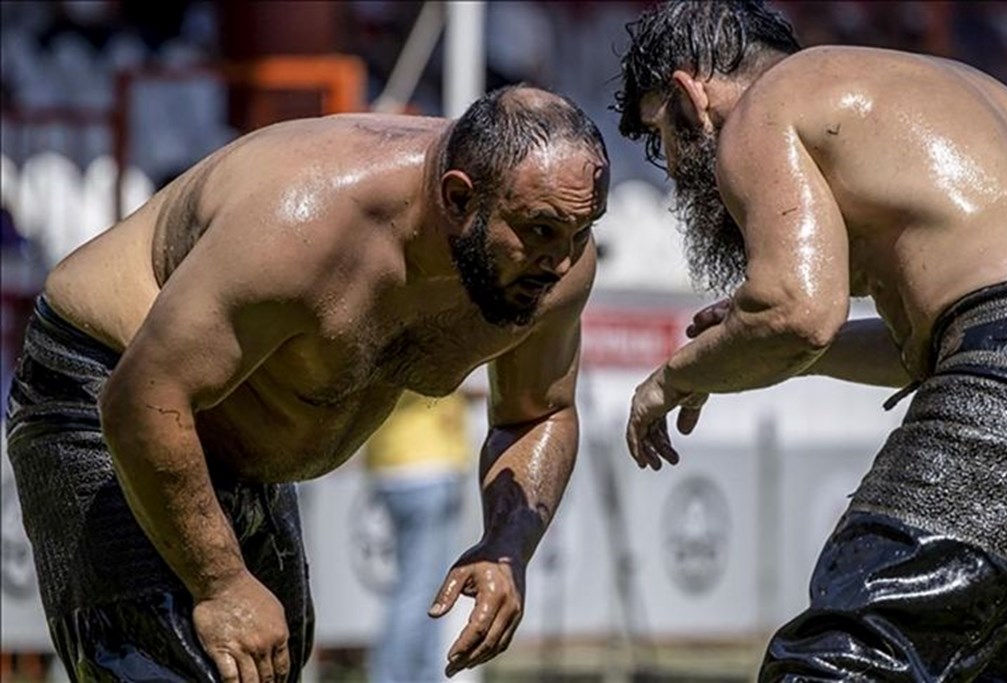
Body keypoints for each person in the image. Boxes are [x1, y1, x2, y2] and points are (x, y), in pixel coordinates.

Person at [613, 1, 1007, 680]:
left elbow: (798, 311)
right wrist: (766, 351)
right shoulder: (940, 93)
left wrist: (673, 377)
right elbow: (948, 342)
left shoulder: (764, 108)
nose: (677, 170)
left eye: (665, 138)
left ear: (689, 95)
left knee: (838, 665)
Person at [4, 84, 608, 682]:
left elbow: (536, 413)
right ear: (457, 200)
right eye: (540, 230)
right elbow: (142, 399)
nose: (562, 261)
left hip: (241, 450)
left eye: (583, 231)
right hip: (107, 387)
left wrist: (508, 544)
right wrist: (223, 582)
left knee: (262, 667)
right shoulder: (303, 219)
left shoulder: (557, 262)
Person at [364, 390, 471, 683]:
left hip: (397, 465)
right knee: (420, 594)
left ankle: (423, 677)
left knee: (428, 593)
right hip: (426, 468)